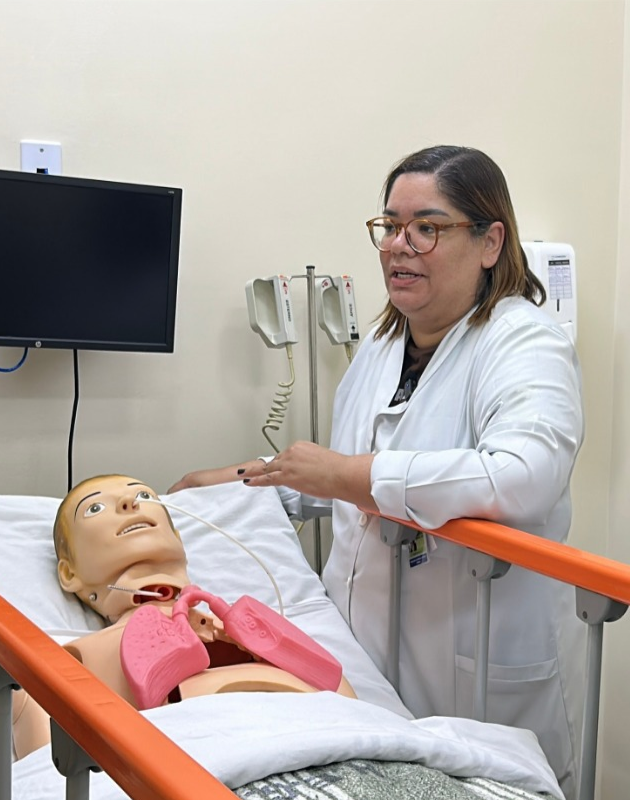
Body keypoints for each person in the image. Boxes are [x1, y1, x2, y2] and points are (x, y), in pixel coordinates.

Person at [172, 145, 585, 797]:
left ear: (489, 241)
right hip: (367, 665)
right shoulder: (385, 345)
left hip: (476, 670)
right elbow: (343, 486)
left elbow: (525, 474)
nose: (399, 245)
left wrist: (349, 476)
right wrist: (251, 483)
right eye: (389, 226)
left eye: (428, 227)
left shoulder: (524, 341)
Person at [11, 474, 356, 758]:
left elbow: (360, 721)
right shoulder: (62, 667)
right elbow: (50, 779)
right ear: (69, 574)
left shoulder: (261, 633)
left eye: (144, 495)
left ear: (177, 539)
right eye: (96, 508)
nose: (130, 505)